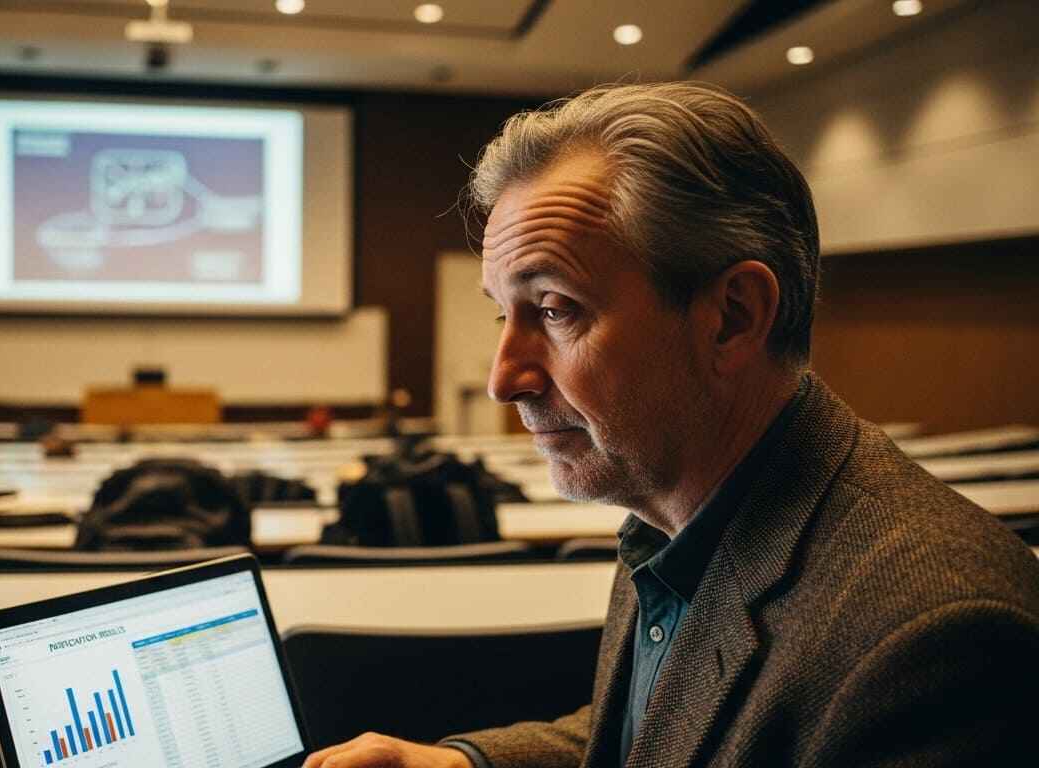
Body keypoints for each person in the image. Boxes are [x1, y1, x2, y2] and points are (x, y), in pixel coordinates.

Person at [303, 82, 1039, 768]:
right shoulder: (675, 510)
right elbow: (676, 726)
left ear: (733, 318)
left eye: (555, 310)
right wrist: (468, 762)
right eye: (505, 314)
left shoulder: (936, 642)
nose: (504, 379)